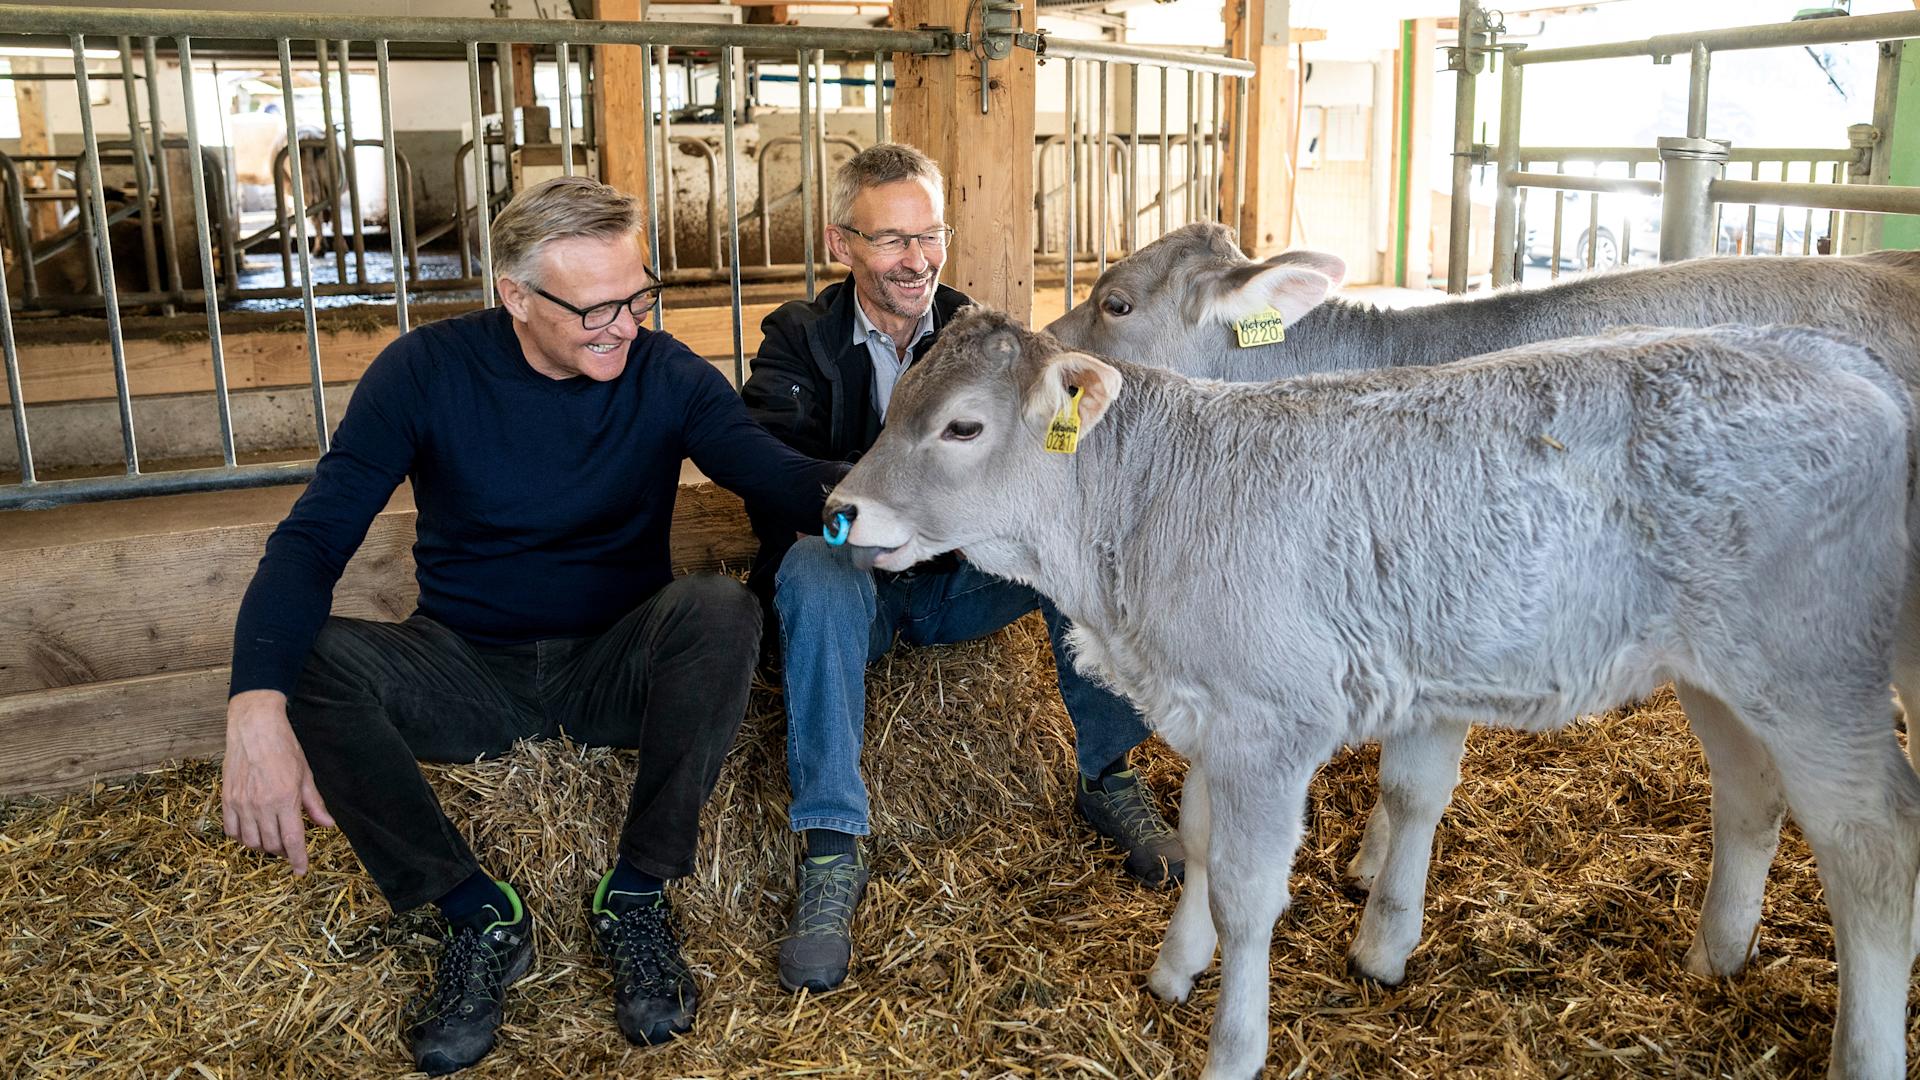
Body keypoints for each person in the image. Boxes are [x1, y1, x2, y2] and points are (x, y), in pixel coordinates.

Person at [220, 176, 845, 1075]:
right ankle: (475, 911)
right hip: (464, 669)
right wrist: (254, 704)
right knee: (309, 660)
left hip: (613, 666)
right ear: (515, 295)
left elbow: (779, 475)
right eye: (597, 307)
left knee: (718, 605)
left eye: (640, 296)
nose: (625, 324)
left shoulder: (664, 372)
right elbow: (315, 539)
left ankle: (636, 892)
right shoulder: (424, 371)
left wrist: (905, 502)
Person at [741, 143, 1185, 995]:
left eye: (930, 235)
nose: (917, 259)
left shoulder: (983, 337)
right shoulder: (796, 340)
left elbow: (1055, 447)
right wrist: (889, 504)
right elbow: (771, 471)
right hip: (860, 579)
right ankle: (833, 847)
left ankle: (1109, 773)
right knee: (809, 566)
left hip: (960, 582)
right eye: (891, 240)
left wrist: (969, 513)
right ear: (842, 245)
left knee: (1064, 534)